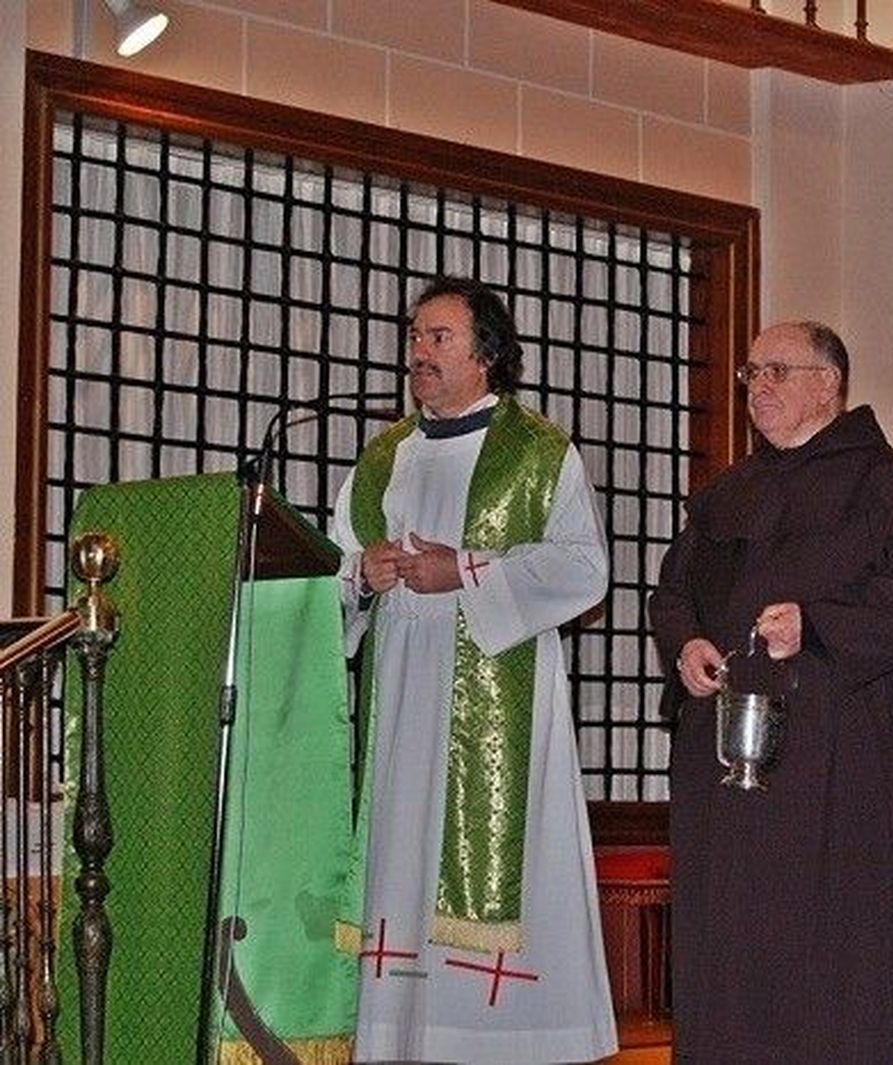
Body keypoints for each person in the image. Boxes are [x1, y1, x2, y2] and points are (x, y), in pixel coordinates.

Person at [331, 276, 617, 1064]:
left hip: (499, 688)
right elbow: (329, 566)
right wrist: (364, 574)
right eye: (415, 336)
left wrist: (468, 571)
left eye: (439, 337)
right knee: (403, 852)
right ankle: (398, 1039)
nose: (418, 353)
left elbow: (583, 566)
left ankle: (505, 1041)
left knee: (494, 864)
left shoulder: (539, 450)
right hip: (401, 696)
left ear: (486, 353)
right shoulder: (385, 455)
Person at [649, 320, 893, 1063]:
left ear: (829, 384)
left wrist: (814, 626)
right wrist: (684, 643)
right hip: (725, 763)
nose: (759, 388)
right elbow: (672, 593)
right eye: (751, 375)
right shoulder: (724, 493)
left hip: (834, 759)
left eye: (778, 371)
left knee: (828, 949)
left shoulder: (886, 483)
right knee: (731, 940)